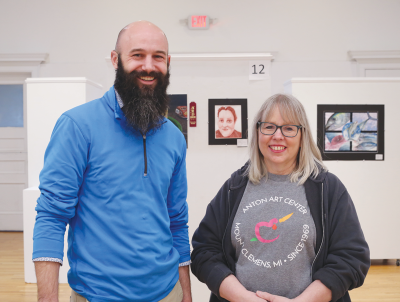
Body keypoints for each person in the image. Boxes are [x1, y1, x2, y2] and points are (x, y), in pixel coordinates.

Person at [32, 21, 192, 302]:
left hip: (168, 293)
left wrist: (186, 293)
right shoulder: (78, 126)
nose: (148, 66)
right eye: (137, 55)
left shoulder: (173, 136)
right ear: (116, 60)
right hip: (97, 296)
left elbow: (177, 221)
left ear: (168, 63)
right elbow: (52, 217)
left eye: (158, 57)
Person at [191, 94, 370, 302]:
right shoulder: (235, 187)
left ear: (302, 135)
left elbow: (351, 258)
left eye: (289, 128)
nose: (277, 136)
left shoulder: (328, 189)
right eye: (269, 127)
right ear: (258, 132)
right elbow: (205, 252)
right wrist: (242, 298)